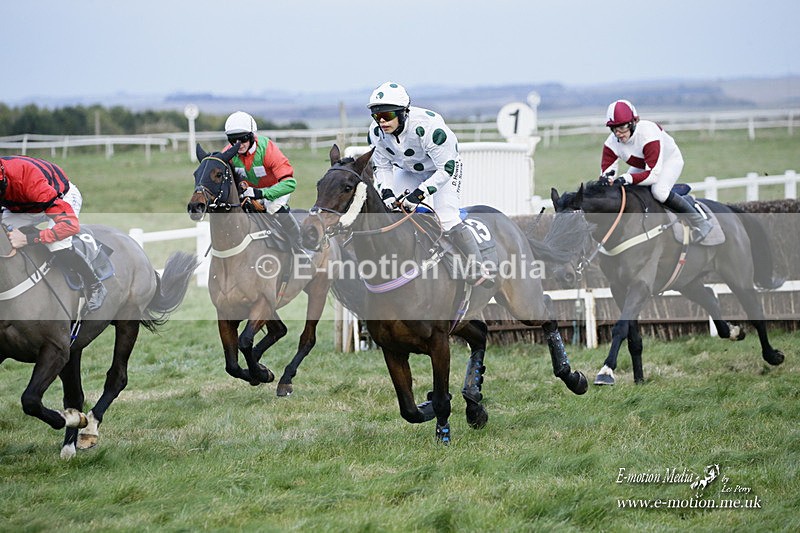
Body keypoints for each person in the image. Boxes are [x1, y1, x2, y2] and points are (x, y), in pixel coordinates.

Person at [367, 81, 495, 287]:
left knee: (446, 216)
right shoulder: (375, 133)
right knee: (391, 212)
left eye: (388, 115)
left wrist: (419, 195)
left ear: (403, 113)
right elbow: (382, 168)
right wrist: (388, 193)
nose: (381, 121)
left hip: (443, 168)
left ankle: (478, 267)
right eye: (376, 116)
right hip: (409, 170)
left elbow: (446, 168)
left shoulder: (429, 129)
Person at [0, 155, 107, 311]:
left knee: (57, 244)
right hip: (22, 204)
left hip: (59, 198)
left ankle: (95, 284)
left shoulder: (30, 182)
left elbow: (70, 226)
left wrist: (27, 239)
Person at [600, 99, 712, 242]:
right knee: (625, 191)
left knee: (659, 192)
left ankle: (700, 222)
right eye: (614, 129)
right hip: (643, 164)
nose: (619, 134)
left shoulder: (648, 134)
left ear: (633, 122)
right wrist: (607, 180)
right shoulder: (611, 143)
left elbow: (653, 175)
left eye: (622, 128)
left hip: (668, 161)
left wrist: (627, 178)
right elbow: (606, 174)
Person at [223, 111, 304, 253]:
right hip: (249, 193)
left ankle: (299, 246)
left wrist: (261, 193)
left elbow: (290, 183)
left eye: (242, 139)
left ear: (251, 136)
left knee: (273, 207)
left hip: (275, 189)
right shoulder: (229, 152)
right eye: (233, 140)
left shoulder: (268, 149)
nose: (238, 145)